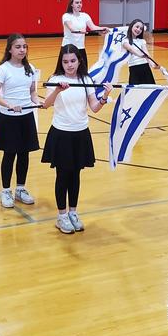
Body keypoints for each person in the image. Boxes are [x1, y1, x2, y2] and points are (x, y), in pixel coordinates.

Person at [41, 45, 112, 234]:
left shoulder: (85, 80)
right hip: (61, 133)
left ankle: (73, 212)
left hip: (81, 133)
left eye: (73, 61)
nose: (69, 65)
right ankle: (61, 216)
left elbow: (94, 108)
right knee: (62, 175)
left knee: (75, 175)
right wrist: (57, 90)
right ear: (61, 62)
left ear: (79, 61)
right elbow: (45, 105)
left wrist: (105, 96)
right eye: (65, 62)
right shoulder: (55, 79)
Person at [0, 34, 41, 209]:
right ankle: (5, 191)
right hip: (9, 118)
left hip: (26, 116)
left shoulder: (30, 68)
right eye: (18, 47)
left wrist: (37, 101)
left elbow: (32, 91)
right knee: (9, 154)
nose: (22, 50)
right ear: (10, 49)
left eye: (24, 46)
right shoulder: (3, 69)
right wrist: (9, 105)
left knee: (24, 154)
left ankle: (20, 189)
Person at [61, 0, 108, 67]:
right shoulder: (66, 16)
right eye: (77, 3)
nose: (79, 4)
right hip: (68, 48)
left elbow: (93, 27)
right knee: (68, 70)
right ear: (71, 4)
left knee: (84, 70)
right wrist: (80, 31)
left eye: (80, 2)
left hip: (81, 48)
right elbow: (71, 29)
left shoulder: (85, 16)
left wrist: (103, 28)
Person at [121, 19, 159, 85]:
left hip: (145, 68)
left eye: (141, 29)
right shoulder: (125, 41)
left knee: (150, 89)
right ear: (131, 26)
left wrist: (152, 64)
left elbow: (146, 53)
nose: (138, 29)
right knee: (134, 90)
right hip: (134, 69)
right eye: (137, 27)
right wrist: (139, 55)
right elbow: (131, 49)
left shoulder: (142, 41)